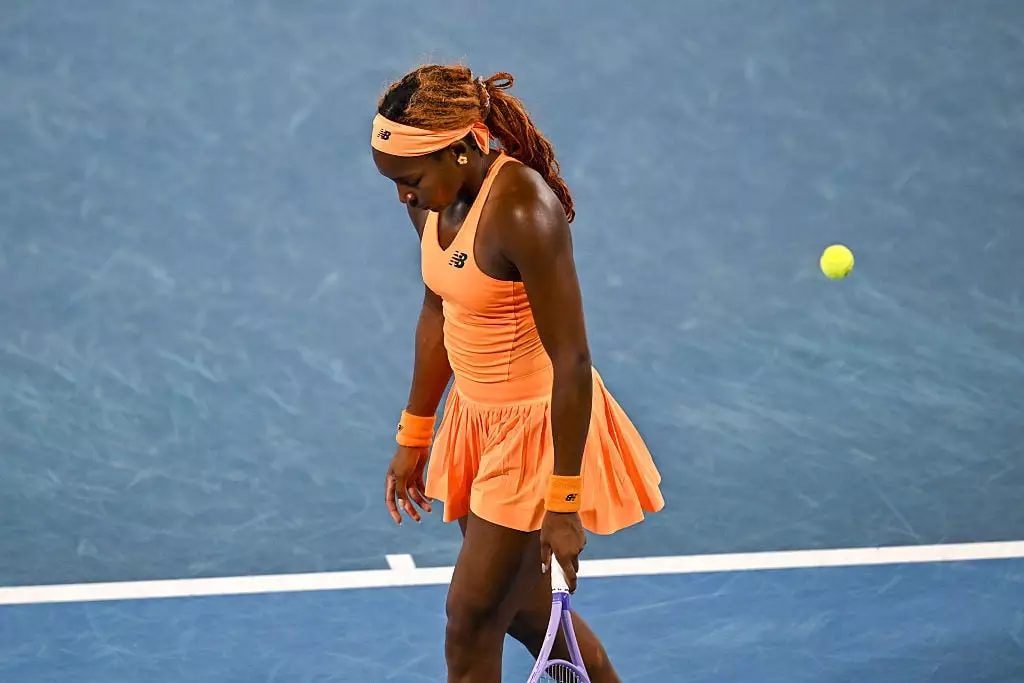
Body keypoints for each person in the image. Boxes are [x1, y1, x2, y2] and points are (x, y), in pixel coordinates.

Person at [371, 64, 664, 683]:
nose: (404, 196)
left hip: (537, 430)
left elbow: (573, 361)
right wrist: (414, 434)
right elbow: (437, 310)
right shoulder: (432, 203)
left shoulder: (525, 210)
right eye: (394, 183)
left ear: (461, 148)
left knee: (471, 622)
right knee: (525, 613)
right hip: (475, 423)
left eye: (411, 179)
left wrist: (564, 502)